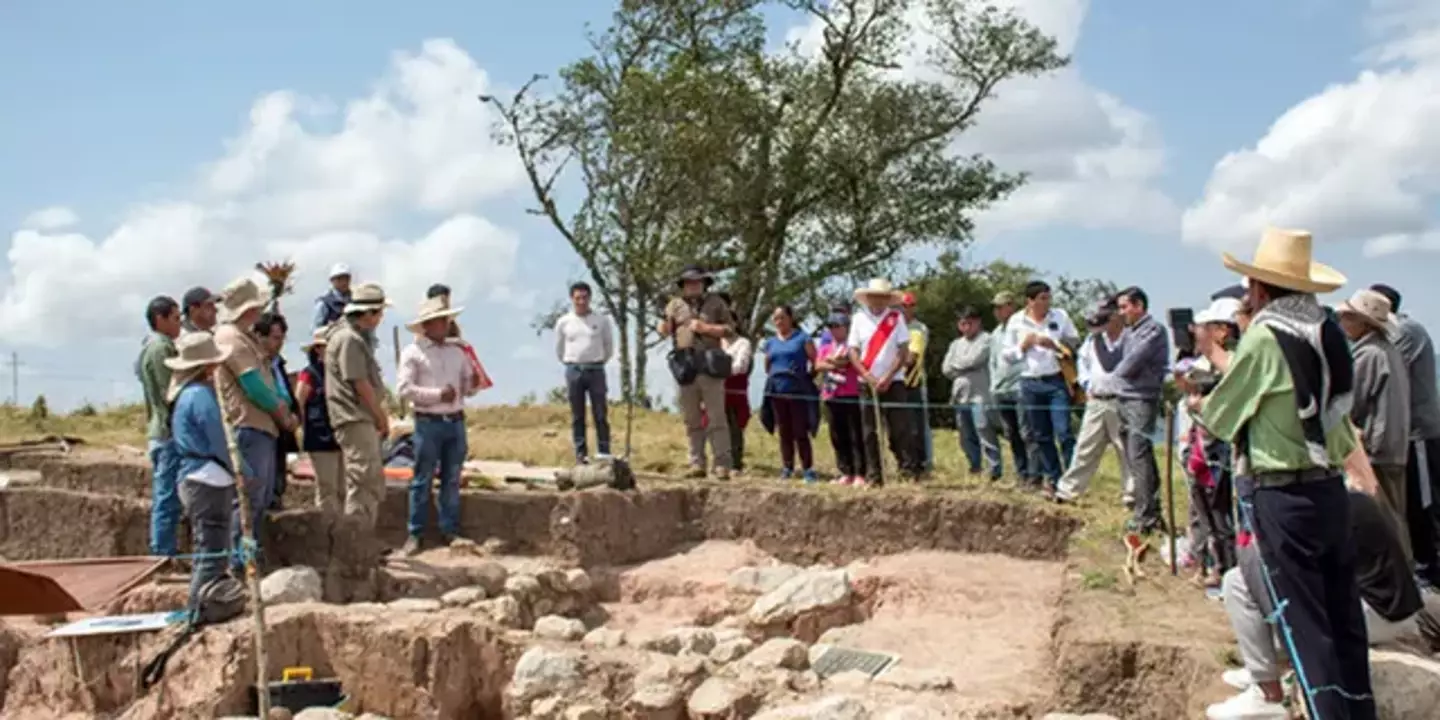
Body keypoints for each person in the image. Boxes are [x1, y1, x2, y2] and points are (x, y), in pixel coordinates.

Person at [1191, 227, 1374, 720]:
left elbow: (1221, 416)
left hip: (1282, 492)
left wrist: (1196, 402)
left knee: (1304, 625)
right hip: (1329, 484)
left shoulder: (1266, 336)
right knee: (1343, 619)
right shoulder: (1328, 331)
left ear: (1261, 289)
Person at [1207, 487, 1427, 720]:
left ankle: (1266, 692)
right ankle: (1264, 669)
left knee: (1238, 581)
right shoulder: (1347, 499)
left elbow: (1283, 575)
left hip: (1375, 615)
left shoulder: (1316, 513)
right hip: (1395, 611)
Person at [212, 277, 296, 573]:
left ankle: (250, 560)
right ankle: (240, 564)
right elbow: (254, 387)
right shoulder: (231, 339)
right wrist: (282, 414)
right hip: (249, 425)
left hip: (260, 427)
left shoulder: (242, 337)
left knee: (257, 500)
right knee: (248, 501)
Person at [397, 296, 481, 555]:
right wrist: (436, 395)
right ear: (428, 325)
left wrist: (472, 384)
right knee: (422, 478)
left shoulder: (458, 352)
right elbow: (403, 389)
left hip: (454, 419)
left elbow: (466, 387)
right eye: (440, 321)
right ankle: (416, 532)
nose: (446, 325)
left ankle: (449, 529)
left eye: (446, 320)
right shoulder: (413, 353)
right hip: (428, 421)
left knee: (451, 477)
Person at [1370, 283, 1440, 589]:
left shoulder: (1405, 332)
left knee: (1423, 502)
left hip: (1419, 432)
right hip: (1408, 434)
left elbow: (1385, 368)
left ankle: (1429, 570)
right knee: (1412, 501)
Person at [164, 332, 237, 620]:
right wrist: (241, 468)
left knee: (207, 547)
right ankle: (198, 610)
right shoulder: (201, 396)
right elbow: (220, 438)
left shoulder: (185, 396)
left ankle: (201, 607)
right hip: (208, 477)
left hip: (195, 476)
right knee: (212, 549)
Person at [1337, 289, 1413, 561]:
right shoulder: (1387, 351)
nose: (1343, 322)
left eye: (1348, 317)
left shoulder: (1368, 354)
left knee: (1384, 519)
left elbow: (1351, 403)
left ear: (1363, 322)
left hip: (1377, 448)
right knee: (1394, 516)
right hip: (1394, 445)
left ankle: (1399, 581)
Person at [1180, 297, 1243, 585]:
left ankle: (1228, 569)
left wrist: (1203, 403)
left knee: (1223, 512)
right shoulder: (1208, 363)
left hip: (1222, 448)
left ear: (1222, 331)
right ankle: (1212, 563)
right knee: (1207, 511)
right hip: (1203, 447)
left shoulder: (1236, 360)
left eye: (1205, 327)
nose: (1197, 332)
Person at [1001, 281, 1080, 493]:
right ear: (1030, 301)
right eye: (1042, 299)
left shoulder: (1060, 316)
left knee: (1064, 432)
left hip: (1056, 380)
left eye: (1048, 298)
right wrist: (1023, 347)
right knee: (1041, 435)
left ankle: (1073, 480)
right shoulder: (1016, 321)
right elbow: (1006, 356)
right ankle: (1053, 478)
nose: (1047, 303)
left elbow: (1074, 342)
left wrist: (1054, 345)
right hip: (1030, 382)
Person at [325, 282, 393, 529]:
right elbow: (359, 383)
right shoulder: (349, 339)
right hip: (354, 417)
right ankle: (357, 541)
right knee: (363, 481)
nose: (381, 318)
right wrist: (380, 416)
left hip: (357, 418)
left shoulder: (353, 338)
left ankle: (362, 539)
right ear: (369, 313)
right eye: (379, 313)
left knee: (366, 480)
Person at [659, 265, 734, 480]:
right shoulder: (674, 305)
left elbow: (730, 329)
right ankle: (696, 462)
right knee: (691, 418)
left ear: (704, 283)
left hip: (709, 362)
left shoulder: (716, 302)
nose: (693, 286)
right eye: (689, 282)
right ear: (683, 286)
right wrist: (665, 326)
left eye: (697, 282)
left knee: (716, 417)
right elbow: (665, 330)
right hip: (685, 364)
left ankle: (722, 464)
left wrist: (706, 328)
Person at [1055, 300, 1132, 504]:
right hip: (1096, 400)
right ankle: (1069, 491)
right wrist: (1087, 384)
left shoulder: (1131, 338)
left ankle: (1131, 494)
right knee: (1085, 447)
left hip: (1122, 401)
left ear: (1116, 316)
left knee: (1126, 449)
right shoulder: (1092, 340)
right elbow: (1083, 363)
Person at [1111, 286, 1170, 533]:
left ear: (1139, 306)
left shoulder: (1153, 330)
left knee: (1139, 455)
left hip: (1141, 398)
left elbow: (1131, 362)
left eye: (1125, 307)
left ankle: (1145, 516)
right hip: (1125, 397)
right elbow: (1115, 357)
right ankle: (1150, 510)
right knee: (1135, 457)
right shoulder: (1129, 331)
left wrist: (1112, 378)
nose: (1122, 312)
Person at [847, 279, 912, 487]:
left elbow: (903, 350)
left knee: (899, 428)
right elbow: (853, 351)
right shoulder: (858, 319)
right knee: (869, 431)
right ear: (868, 298)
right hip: (867, 381)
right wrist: (867, 375)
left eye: (883, 297)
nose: (879, 300)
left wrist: (889, 376)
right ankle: (874, 474)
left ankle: (906, 469)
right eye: (875, 296)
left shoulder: (896, 317)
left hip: (894, 381)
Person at [137, 295, 183, 557]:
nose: (179, 324)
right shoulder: (161, 348)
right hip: (167, 431)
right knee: (166, 497)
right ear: (160, 319)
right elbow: (171, 392)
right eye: (175, 319)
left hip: (159, 430)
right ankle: (163, 553)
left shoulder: (149, 346)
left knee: (167, 496)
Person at [554, 281, 614, 464]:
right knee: (577, 414)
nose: (581, 301)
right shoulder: (564, 322)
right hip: (574, 369)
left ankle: (604, 451)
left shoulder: (601, 320)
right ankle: (581, 454)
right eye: (578, 298)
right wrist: (570, 362)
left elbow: (608, 346)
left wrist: (599, 360)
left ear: (590, 298)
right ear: (572, 299)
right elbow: (559, 348)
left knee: (600, 413)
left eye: (585, 297)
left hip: (595, 369)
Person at [761, 305, 818, 482]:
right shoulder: (770, 342)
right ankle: (787, 467)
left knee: (800, 430)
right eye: (775, 318)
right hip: (778, 391)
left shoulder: (803, 338)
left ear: (791, 318)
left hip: (797, 390)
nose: (779, 322)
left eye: (782, 317)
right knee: (784, 431)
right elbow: (767, 365)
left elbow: (815, 361)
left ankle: (808, 468)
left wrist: (806, 378)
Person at [942, 305, 999, 480]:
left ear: (978, 322)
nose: (966, 327)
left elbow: (975, 360)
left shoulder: (987, 339)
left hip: (980, 395)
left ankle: (994, 468)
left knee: (984, 430)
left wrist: (959, 365)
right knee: (965, 434)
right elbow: (946, 369)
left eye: (970, 323)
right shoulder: (955, 344)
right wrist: (963, 366)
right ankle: (974, 466)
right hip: (960, 396)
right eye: (963, 324)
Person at [294, 327, 343, 516]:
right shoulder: (310, 374)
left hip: (340, 435)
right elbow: (299, 401)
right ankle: (327, 531)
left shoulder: (340, 372)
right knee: (327, 487)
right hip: (320, 437)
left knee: (343, 487)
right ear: (317, 349)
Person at [989, 291, 1034, 484]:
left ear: (1011, 306)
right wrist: (993, 385)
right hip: (1001, 389)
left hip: (1019, 386)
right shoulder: (996, 333)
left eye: (1000, 307)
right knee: (1011, 434)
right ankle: (1021, 472)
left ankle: (1035, 474)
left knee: (1027, 432)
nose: (997, 311)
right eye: (995, 308)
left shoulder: (1021, 327)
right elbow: (993, 362)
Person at [255, 312, 298, 510]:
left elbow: (287, 391)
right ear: (260, 337)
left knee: (277, 479)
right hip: (264, 427)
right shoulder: (255, 365)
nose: (279, 343)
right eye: (275, 338)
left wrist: (295, 415)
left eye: (282, 338)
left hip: (283, 429)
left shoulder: (278, 364)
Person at [817, 314, 865, 485]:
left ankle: (860, 472)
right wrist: (833, 363)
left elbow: (849, 361)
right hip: (831, 394)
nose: (834, 330)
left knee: (855, 434)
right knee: (837, 434)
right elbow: (818, 364)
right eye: (831, 326)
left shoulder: (852, 346)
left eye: (838, 326)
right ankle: (845, 470)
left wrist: (836, 362)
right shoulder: (826, 347)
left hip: (851, 393)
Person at [718, 295, 754, 473]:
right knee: (717, 428)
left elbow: (741, 366)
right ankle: (720, 462)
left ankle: (736, 463)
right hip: (717, 392)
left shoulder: (743, 343)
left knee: (734, 428)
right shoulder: (716, 343)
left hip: (735, 393)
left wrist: (719, 369)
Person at [898, 292, 931, 477]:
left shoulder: (919, 329)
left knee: (917, 427)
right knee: (901, 427)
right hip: (896, 383)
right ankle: (905, 463)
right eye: (902, 306)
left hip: (914, 382)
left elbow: (911, 358)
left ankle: (923, 463)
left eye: (908, 306)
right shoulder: (893, 327)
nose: (904, 309)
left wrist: (894, 361)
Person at [313, 263, 353, 331]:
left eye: (346, 278)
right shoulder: (324, 303)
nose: (344, 282)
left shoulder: (355, 299)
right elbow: (315, 329)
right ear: (332, 280)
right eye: (339, 279)